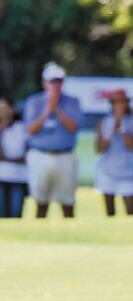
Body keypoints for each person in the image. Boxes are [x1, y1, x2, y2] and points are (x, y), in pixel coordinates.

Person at [24, 62, 83, 218]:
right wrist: (46, 110)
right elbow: (30, 130)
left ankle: (70, 235)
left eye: (59, 81)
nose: (56, 85)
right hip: (40, 155)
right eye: (52, 81)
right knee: (40, 201)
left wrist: (56, 109)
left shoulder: (72, 102)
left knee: (68, 201)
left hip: (65, 155)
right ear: (45, 83)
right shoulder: (34, 101)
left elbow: (73, 127)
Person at [94, 89, 133, 216]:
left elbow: (132, 147)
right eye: (116, 103)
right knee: (110, 212)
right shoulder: (104, 122)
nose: (119, 106)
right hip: (107, 171)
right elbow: (99, 149)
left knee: (130, 212)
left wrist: (122, 131)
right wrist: (112, 130)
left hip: (127, 171)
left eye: (122, 102)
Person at [0, 97, 28, 218]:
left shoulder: (21, 128)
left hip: (18, 177)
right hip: (1, 176)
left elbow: (25, 155)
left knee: (15, 214)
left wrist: (9, 159)